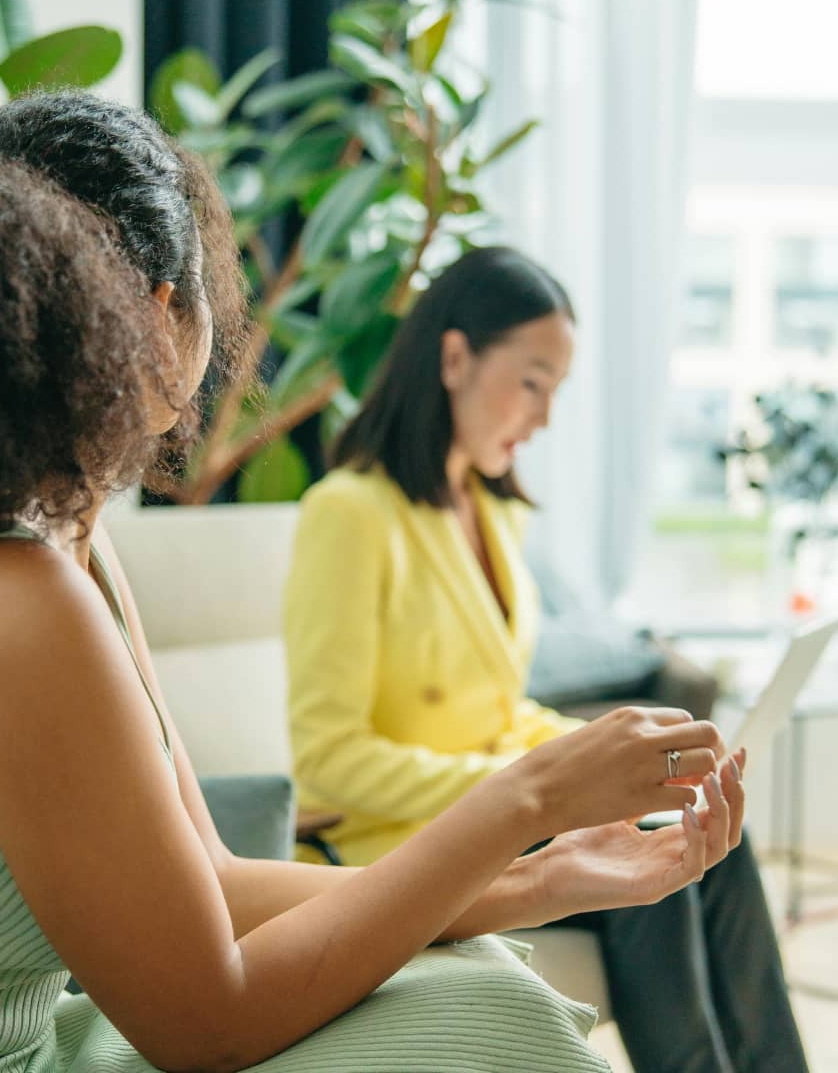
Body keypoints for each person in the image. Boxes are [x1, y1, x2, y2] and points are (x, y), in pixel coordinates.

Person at [0, 95, 743, 1073]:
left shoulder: (13, 543)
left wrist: (534, 882)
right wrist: (526, 803)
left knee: (484, 983)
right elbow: (204, 1024)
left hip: (7, 1043)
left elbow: (209, 880)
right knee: (498, 1023)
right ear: (160, 316)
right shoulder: (10, 603)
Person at [283, 246, 808, 1073]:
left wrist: (615, 763)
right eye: (533, 382)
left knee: (707, 843)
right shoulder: (348, 516)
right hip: (409, 849)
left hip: (511, 822)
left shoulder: (491, 514)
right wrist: (538, 793)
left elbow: (498, 711)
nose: (545, 416)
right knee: (648, 873)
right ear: (455, 357)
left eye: (556, 389)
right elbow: (327, 759)